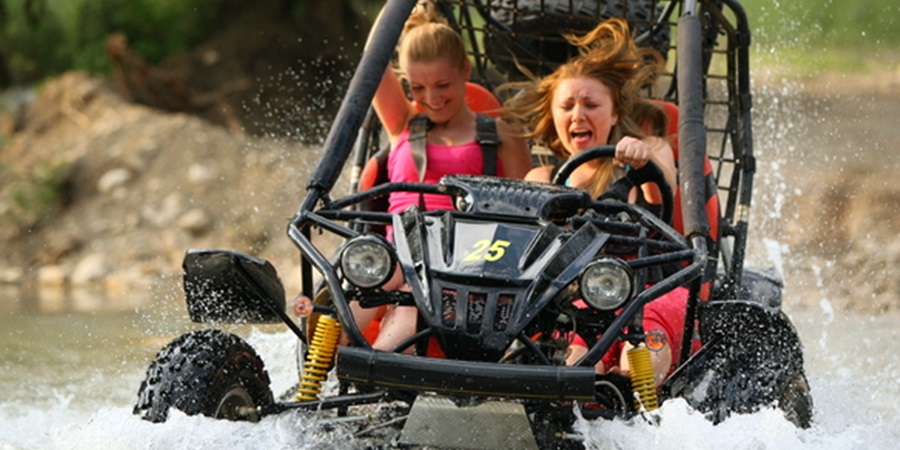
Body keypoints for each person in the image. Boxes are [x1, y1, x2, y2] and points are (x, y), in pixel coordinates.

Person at [501, 17, 684, 383]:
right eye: (566, 106)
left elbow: (661, 189)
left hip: (648, 291)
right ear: (553, 118)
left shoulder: (648, 150)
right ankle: (581, 406)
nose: (578, 115)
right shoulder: (543, 180)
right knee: (576, 358)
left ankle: (638, 398)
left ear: (615, 113)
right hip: (578, 301)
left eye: (590, 105)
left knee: (640, 360)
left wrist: (641, 159)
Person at [352, 1, 531, 352]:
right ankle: (320, 376)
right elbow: (372, 54)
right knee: (360, 285)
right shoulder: (403, 123)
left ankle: (374, 368)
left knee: (410, 298)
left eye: (442, 85)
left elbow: (526, 215)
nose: (430, 99)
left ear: (465, 71)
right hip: (396, 253)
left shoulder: (501, 135)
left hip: (463, 258)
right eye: (417, 88)